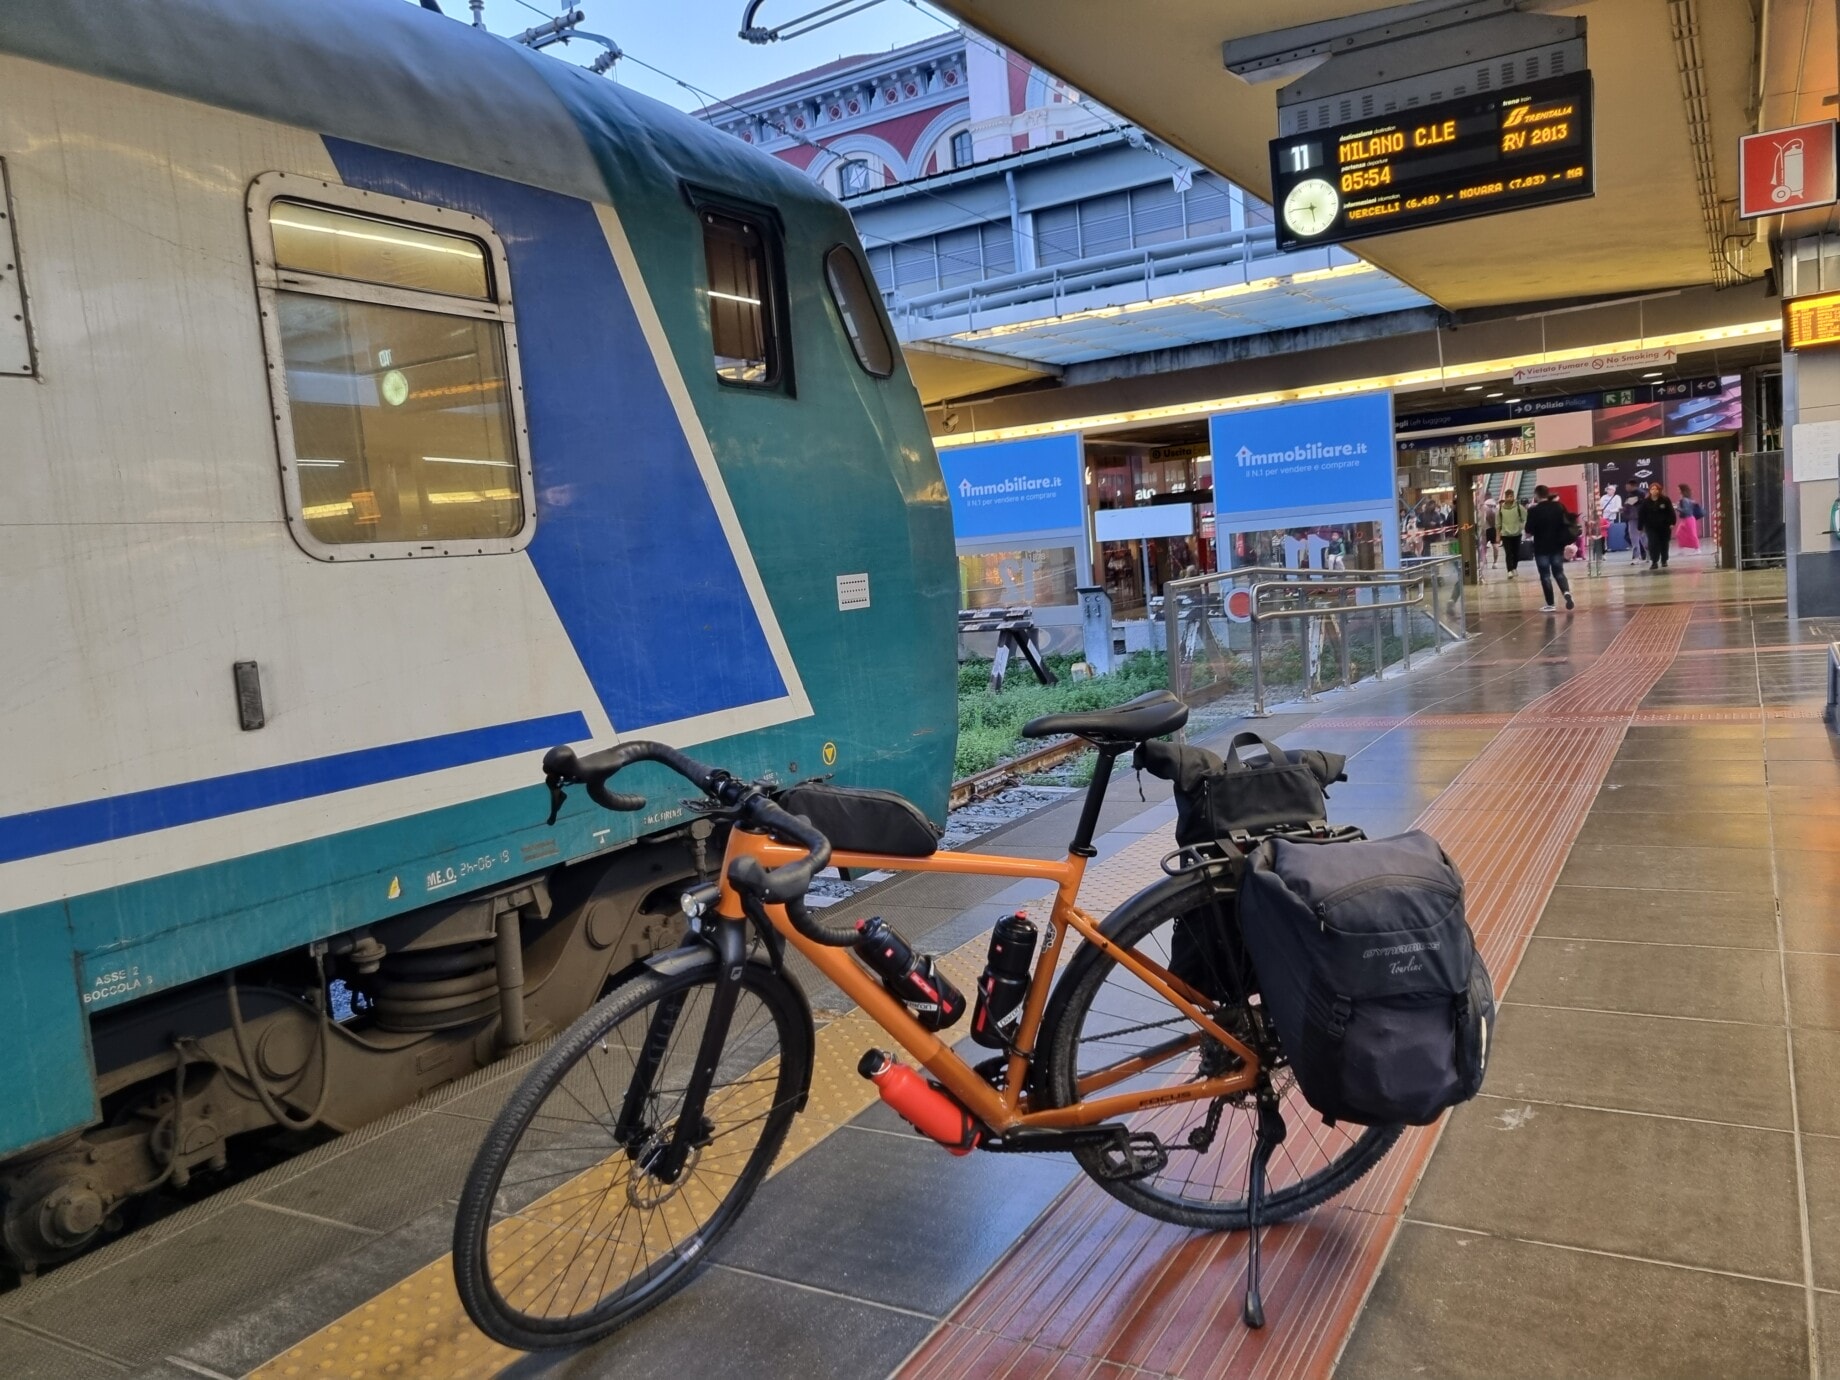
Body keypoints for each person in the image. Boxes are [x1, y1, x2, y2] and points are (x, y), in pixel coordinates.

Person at [1523, 484, 1575, 612]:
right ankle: (1566, 592)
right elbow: (1566, 523)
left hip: (1541, 547)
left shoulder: (1533, 510)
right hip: (1557, 545)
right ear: (1547, 494)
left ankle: (1551, 604)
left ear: (1536, 495)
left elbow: (1529, 530)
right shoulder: (1559, 507)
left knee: (1545, 575)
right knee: (1559, 572)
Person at [1637, 481, 1676, 571]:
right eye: (1652, 489)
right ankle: (1654, 561)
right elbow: (1642, 514)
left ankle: (1664, 559)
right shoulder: (1646, 502)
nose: (1654, 491)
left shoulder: (1665, 500)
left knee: (1664, 543)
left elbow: (1671, 512)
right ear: (1649, 491)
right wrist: (1640, 526)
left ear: (1659, 490)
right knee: (1653, 543)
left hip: (1664, 526)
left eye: (1656, 489)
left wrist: (1672, 523)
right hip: (1651, 526)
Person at [1498, 491, 1527, 580]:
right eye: (1508, 496)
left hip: (1517, 534)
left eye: (1511, 496)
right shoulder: (1501, 509)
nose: (1510, 498)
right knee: (1508, 553)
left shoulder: (1519, 507)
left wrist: (1521, 527)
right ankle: (1509, 570)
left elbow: (1525, 517)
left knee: (1516, 552)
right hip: (1505, 534)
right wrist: (1498, 535)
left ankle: (1514, 567)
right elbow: (1498, 523)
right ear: (1505, 497)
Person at [1677, 483, 1702, 551]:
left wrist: (1677, 508)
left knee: (1692, 534)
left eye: (1679, 489)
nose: (1678, 490)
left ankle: (1697, 548)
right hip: (1686, 519)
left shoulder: (1685, 499)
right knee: (1679, 533)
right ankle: (1682, 548)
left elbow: (1686, 511)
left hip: (1689, 519)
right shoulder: (1686, 498)